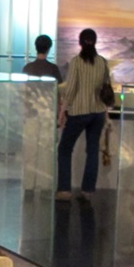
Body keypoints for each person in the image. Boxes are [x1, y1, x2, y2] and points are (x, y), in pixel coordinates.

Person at [57, 28, 110, 201]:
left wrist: (63, 110)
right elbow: (106, 89)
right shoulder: (103, 62)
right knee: (92, 150)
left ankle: (64, 190)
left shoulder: (76, 62)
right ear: (95, 42)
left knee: (65, 149)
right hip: (98, 112)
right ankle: (88, 190)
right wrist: (106, 113)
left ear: (80, 42)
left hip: (79, 111)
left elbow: (71, 88)